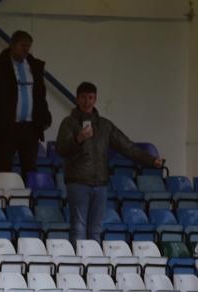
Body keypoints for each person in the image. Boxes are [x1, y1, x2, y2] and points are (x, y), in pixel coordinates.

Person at [56, 81, 163, 246]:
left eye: (90, 97)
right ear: (77, 99)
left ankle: (94, 268)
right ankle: (77, 267)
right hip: (77, 182)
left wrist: (150, 160)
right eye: (83, 97)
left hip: (100, 183)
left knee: (96, 230)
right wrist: (78, 139)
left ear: (95, 99)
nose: (87, 101)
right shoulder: (69, 123)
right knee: (78, 228)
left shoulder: (105, 125)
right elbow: (61, 149)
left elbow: (126, 146)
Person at [0, 30, 52, 176]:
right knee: (4, 168)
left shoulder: (34, 67)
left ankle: (29, 198)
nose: (26, 50)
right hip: (6, 127)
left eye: (28, 46)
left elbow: (40, 96)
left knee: (30, 168)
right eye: (22, 45)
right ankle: (5, 198)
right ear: (12, 44)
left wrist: (45, 118)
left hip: (30, 127)